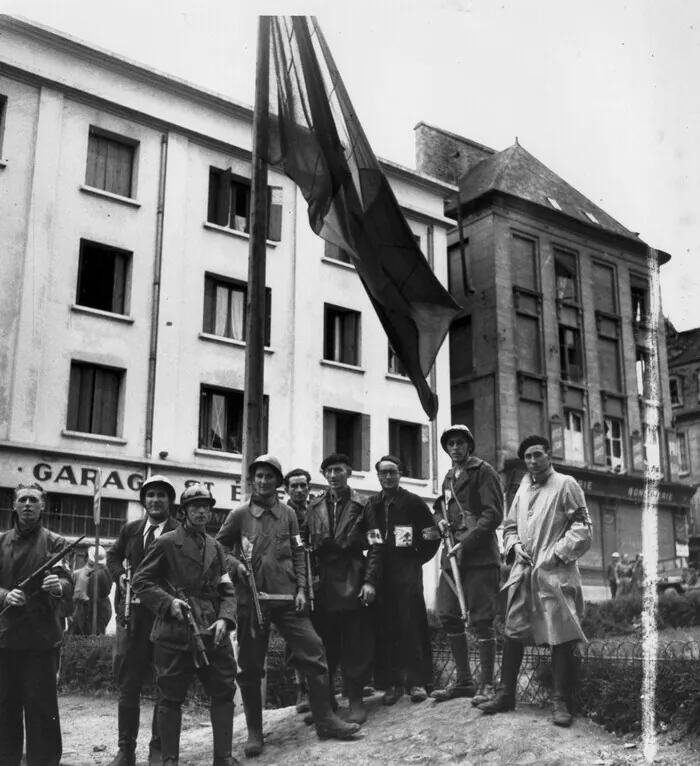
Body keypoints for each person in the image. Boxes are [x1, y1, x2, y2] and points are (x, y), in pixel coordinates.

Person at [216, 456, 360, 758]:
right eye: (259, 476)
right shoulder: (240, 514)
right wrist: (234, 566)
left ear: (277, 482)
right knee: (252, 667)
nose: (264, 481)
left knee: (314, 650)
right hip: (252, 601)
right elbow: (218, 548)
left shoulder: (289, 515)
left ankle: (325, 720)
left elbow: (298, 552)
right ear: (252, 480)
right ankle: (255, 732)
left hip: (287, 599)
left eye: (270, 477)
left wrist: (302, 590)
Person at [478, 435, 592, 727]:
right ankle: (505, 695)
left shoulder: (566, 484)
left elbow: (583, 528)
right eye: (527, 457)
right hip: (524, 573)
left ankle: (560, 701)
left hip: (555, 574)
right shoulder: (522, 488)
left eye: (537, 455)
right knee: (513, 630)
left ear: (549, 455)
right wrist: (514, 547)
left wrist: (555, 554)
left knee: (560, 635)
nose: (532, 461)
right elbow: (510, 527)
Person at [132, 484, 239, 766]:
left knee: (224, 691)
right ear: (184, 512)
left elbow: (226, 589)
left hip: (212, 630)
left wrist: (225, 619)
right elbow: (141, 581)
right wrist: (169, 604)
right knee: (170, 696)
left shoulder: (215, 546)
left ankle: (224, 757)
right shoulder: (167, 542)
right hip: (175, 630)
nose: (202, 512)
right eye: (195, 507)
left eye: (206, 507)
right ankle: (168, 759)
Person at [304, 453, 383, 725]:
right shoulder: (313, 507)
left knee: (355, 644)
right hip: (323, 582)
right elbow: (302, 548)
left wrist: (370, 581)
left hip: (353, 576)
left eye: (338, 470)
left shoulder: (364, 505)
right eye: (328, 471)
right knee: (324, 645)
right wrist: (307, 582)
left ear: (349, 472)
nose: (333, 475)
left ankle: (356, 700)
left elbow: (375, 545)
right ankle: (326, 705)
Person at [106, 474, 180, 766]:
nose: (156, 500)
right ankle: (126, 750)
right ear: (143, 501)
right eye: (150, 495)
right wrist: (120, 575)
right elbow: (112, 558)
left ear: (170, 501)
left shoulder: (179, 531)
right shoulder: (131, 530)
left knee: (165, 684)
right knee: (128, 685)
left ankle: (158, 750)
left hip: (165, 618)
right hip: (132, 618)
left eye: (162, 495)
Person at [0, 482, 74, 766]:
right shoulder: (1, 541)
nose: (28, 504)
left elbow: (68, 580)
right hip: (5, 637)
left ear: (43, 505)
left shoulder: (56, 542)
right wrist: (7, 594)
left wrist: (58, 586)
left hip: (42, 639)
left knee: (41, 709)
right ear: (14, 505)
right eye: (22, 500)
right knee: (5, 706)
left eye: (34, 499)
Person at [431, 425, 504, 708]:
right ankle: (464, 681)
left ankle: (487, 683)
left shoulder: (483, 472)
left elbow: (493, 513)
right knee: (448, 614)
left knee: (482, 620)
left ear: (469, 446)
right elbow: (441, 507)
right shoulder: (450, 477)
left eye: (460, 443)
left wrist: (468, 541)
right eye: (450, 444)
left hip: (479, 558)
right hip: (452, 559)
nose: (455, 448)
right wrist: (438, 520)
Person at [368, 455, 439, 705]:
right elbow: (367, 536)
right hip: (381, 575)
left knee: (412, 625)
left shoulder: (414, 502)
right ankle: (392, 684)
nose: (388, 477)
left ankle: (417, 683)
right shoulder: (373, 504)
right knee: (386, 628)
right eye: (384, 472)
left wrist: (415, 560)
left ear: (400, 474)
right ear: (377, 476)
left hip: (407, 574)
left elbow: (432, 536)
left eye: (393, 472)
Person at [283, 467, 313, 714]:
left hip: (318, 577)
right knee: (296, 637)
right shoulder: (283, 513)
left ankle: (323, 687)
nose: (300, 490)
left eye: (304, 485)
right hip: (293, 580)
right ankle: (301, 689)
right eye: (294, 486)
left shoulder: (316, 510)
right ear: (286, 489)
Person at [70, 545, 113, 635]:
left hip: (90, 610)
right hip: (98, 609)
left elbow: (80, 596)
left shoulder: (94, 575)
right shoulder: (105, 571)